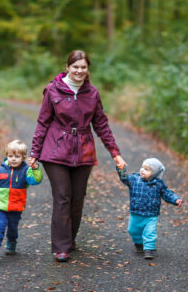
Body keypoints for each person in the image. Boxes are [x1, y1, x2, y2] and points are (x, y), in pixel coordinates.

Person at [29, 50, 126, 262]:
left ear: (87, 69)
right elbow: (43, 122)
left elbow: (101, 124)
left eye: (83, 67)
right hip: (54, 152)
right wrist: (34, 152)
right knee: (62, 196)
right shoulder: (53, 90)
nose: (79, 71)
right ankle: (60, 247)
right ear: (67, 67)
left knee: (77, 199)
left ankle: (70, 239)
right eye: (75, 67)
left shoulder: (92, 93)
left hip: (83, 152)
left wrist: (115, 153)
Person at [0, 140, 43, 257]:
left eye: (17, 156)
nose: (13, 159)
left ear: (23, 158)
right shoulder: (0, 170)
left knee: (13, 227)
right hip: (0, 205)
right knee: (0, 224)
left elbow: (36, 180)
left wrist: (35, 169)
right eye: (10, 156)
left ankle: (11, 243)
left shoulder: (26, 171)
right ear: (6, 156)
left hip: (16, 206)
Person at [116, 157, 183, 259]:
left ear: (155, 173)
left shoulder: (158, 184)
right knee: (132, 230)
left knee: (150, 232)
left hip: (151, 215)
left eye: (147, 169)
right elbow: (125, 179)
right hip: (136, 213)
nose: (142, 170)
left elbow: (166, 193)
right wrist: (121, 170)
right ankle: (139, 243)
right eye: (142, 167)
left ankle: (149, 249)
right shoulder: (134, 179)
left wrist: (175, 199)